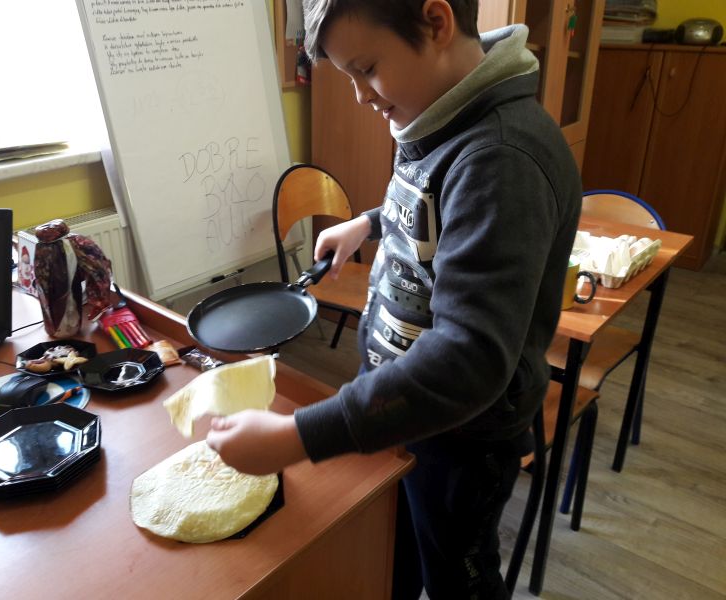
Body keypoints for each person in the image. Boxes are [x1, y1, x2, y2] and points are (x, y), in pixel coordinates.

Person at [207, 1, 582, 597]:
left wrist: (297, 437)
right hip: (401, 403)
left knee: (456, 575)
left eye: (366, 68)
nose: (360, 95)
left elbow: (468, 359)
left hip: (462, 435)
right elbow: (437, 204)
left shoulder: (502, 158)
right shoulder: (444, 111)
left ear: (436, 23)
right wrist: (371, 222)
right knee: (390, 549)